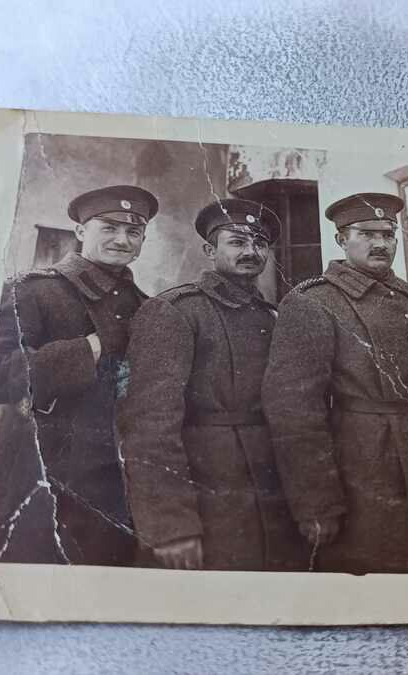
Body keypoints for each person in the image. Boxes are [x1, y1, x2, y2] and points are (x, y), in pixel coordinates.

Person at [262, 193, 408, 573]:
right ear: (341, 240)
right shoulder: (314, 302)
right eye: (366, 234)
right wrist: (316, 502)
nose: (381, 244)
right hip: (364, 469)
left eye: (388, 234)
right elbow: (293, 412)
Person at [0, 185, 157, 565]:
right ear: (81, 232)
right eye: (109, 228)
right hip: (39, 473)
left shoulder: (146, 307)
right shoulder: (35, 291)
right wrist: (92, 347)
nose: (122, 239)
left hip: (117, 479)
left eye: (133, 232)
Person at [117, 199, 307, 571]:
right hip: (207, 499)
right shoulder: (175, 311)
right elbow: (149, 426)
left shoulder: (273, 315)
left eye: (260, 243)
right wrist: (171, 525)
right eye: (237, 241)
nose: (251, 251)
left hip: (272, 493)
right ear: (210, 250)